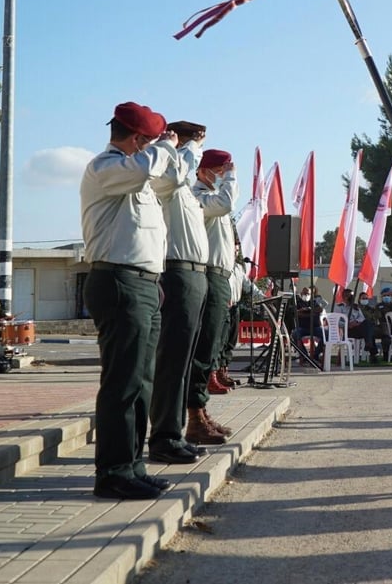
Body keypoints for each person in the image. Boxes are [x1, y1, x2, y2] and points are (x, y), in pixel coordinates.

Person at [81, 101, 179, 500]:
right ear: (138, 139)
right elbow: (146, 168)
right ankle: (113, 472)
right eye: (149, 141)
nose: (152, 148)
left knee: (141, 381)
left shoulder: (134, 174)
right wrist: (169, 146)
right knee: (122, 381)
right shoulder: (106, 167)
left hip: (142, 281)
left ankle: (133, 464)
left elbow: (165, 181)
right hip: (119, 280)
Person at [146, 121, 213, 465]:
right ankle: (164, 436)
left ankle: (176, 430)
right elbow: (171, 176)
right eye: (192, 147)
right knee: (172, 361)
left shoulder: (184, 186)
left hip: (195, 273)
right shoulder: (167, 180)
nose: (197, 155)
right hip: (176, 271)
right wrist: (184, 148)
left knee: (183, 361)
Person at [189, 149, 241, 426]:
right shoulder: (197, 196)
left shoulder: (215, 198)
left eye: (224, 171)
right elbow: (226, 203)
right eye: (219, 170)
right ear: (202, 170)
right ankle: (195, 411)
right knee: (204, 344)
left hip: (220, 274)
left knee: (213, 343)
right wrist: (232, 177)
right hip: (207, 274)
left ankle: (200, 409)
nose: (222, 175)